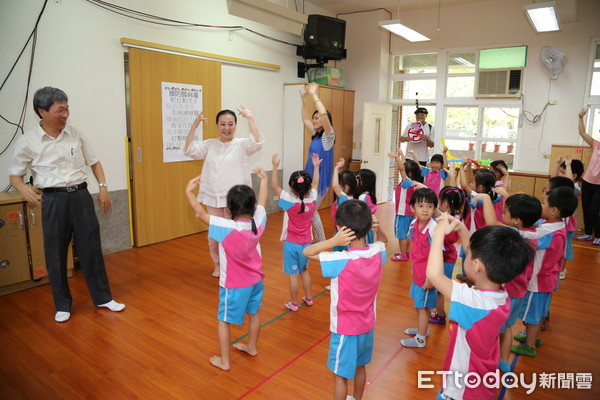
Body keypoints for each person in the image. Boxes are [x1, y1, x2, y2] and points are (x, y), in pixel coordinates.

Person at [8, 86, 125, 323]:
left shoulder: (75, 134)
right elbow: (14, 176)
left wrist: (103, 187)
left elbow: (95, 162)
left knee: (91, 249)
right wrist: (24, 190)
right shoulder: (28, 141)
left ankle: (103, 297)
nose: (66, 114)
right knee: (55, 253)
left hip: (80, 196)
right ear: (42, 111)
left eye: (67, 108)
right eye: (60, 110)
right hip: (53, 200)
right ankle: (62, 304)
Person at [427, 216, 533, 400]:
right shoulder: (501, 294)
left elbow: (435, 276)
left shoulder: (473, 303)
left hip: (460, 391)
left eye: (468, 254)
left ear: (476, 265)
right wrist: (461, 228)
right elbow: (480, 258)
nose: (466, 254)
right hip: (481, 383)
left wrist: (437, 236)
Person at [185, 167, 268, 371]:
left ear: (229, 209)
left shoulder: (225, 228)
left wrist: (189, 192)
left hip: (234, 285)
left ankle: (225, 361)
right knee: (254, 314)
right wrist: (264, 179)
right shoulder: (259, 222)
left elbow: (200, 213)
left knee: (223, 321)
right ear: (253, 206)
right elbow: (263, 203)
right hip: (256, 281)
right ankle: (251, 347)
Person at [303, 200, 386, 400]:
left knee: (340, 376)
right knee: (360, 367)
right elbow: (384, 242)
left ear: (340, 229)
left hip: (345, 329)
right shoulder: (378, 252)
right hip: (367, 326)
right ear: (368, 226)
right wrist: (379, 228)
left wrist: (333, 241)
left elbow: (307, 251)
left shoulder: (340, 260)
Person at [183, 107, 263, 277]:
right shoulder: (210, 144)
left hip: (236, 201)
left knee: (236, 235)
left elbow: (257, 143)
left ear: (235, 125)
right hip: (213, 197)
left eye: (231, 124)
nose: (227, 128)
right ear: (217, 125)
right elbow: (190, 150)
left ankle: (237, 264)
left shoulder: (241, 144)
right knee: (215, 236)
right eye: (223, 124)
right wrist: (195, 125)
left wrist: (250, 117)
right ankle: (218, 264)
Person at [512, 186, 577, 357]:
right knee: (540, 311)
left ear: (554, 210)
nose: (541, 206)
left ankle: (530, 345)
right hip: (548, 278)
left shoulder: (548, 231)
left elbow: (527, 237)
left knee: (532, 314)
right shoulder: (556, 225)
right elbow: (537, 228)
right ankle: (535, 338)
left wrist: (512, 227)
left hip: (538, 280)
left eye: (543, 203)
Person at [271, 153, 321, 312]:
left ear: (291, 187)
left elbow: (275, 187)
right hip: (307, 243)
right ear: (307, 187)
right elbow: (316, 183)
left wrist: (274, 167)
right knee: (304, 271)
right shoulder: (313, 198)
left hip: (291, 244)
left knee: (293, 275)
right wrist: (316, 166)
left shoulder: (288, 201)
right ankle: (309, 298)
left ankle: (294, 303)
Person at [401, 188, 438, 348]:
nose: (425, 210)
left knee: (422, 307)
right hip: (417, 273)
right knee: (420, 305)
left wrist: (431, 278)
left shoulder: (434, 229)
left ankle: (420, 339)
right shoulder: (413, 223)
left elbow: (437, 257)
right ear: (412, 208)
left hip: (427, 276)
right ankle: (423, 329)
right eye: (421, 205)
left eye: (430, 206)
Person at [428, 186, 470, 325]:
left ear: (445, 204)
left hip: (445, 259)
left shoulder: (448, 222)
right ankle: (440, 313)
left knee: (440, 290)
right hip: (450, 257)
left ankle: (440, 315)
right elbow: (438, 212)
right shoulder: (456, 218)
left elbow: (444, 240)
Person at [301, 82, 335, 243]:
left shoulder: (328, 137)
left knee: (312, 211)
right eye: (314, 118)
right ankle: (315, 238)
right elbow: (305, 118)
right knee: (309, 210)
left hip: (320, 181)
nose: (314, 120)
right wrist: (303, 99)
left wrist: (314, 94)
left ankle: (320, 240)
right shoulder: (316, 135)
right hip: (310, 177)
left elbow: (324, 115)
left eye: (317, 118)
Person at [388, 149, 425, 262]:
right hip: (406, 213)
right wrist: (402, 155)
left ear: (408, 173)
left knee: (401, 236)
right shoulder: (410, 182)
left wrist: (396, 158)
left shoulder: (407, 182)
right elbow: (404, 166)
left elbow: (401, 168)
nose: (400, 171)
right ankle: (405, 252)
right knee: (405, 235)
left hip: (403, 214)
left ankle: (403, 254)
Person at [551, 156, 583, 279]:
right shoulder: (560, 187)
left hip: (567, 225)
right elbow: (553, 179)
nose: (560, 174)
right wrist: (558, 163)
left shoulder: (575, 189)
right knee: (557, 246)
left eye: (563, 172)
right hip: (557, 222)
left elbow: (569, 182)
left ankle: (562, 270)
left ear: (573, 176)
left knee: (565, 248)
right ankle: (557, 267)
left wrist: (568, 166)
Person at [576, 109, 600, 245]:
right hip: (588, 182)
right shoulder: (596, 144)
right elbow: (582, 132)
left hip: (599, 186)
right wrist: (580, 117)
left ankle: (599, 235)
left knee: (593, 211)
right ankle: (588, 233)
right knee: (586, 209)